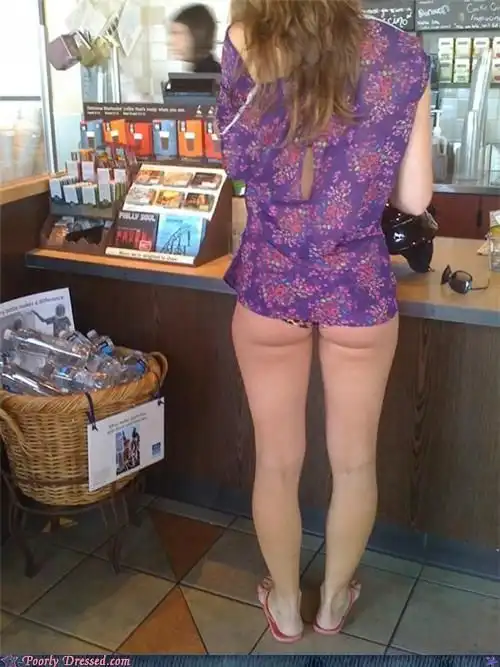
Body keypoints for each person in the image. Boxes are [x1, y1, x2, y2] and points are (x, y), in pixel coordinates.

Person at [216, 0, 432, 644]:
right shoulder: (402, 53)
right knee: (355, 462)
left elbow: (234, 167)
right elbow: (415, 198)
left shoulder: (245, 40)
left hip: (271, 281)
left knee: (277, 463)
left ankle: (285, 606)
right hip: (357, 286)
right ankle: (334, 604)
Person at [169, 4, 221, 74]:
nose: (172, 41)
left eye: (177, 33)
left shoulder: (209, 75)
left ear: (197, 35)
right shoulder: (208, 70)